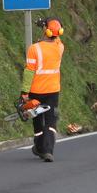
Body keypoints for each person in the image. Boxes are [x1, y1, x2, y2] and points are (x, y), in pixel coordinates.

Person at [23, 17, 65, 162]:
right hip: (52, 92)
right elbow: (56, 36)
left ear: (45, 30)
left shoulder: (34, 48)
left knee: (37, 120)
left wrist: (24, 92)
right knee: (50, 121)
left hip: (35, 92)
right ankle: (47, 150)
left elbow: (29, 71)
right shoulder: (60, 47)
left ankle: (39, 147)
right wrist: (50, 27)